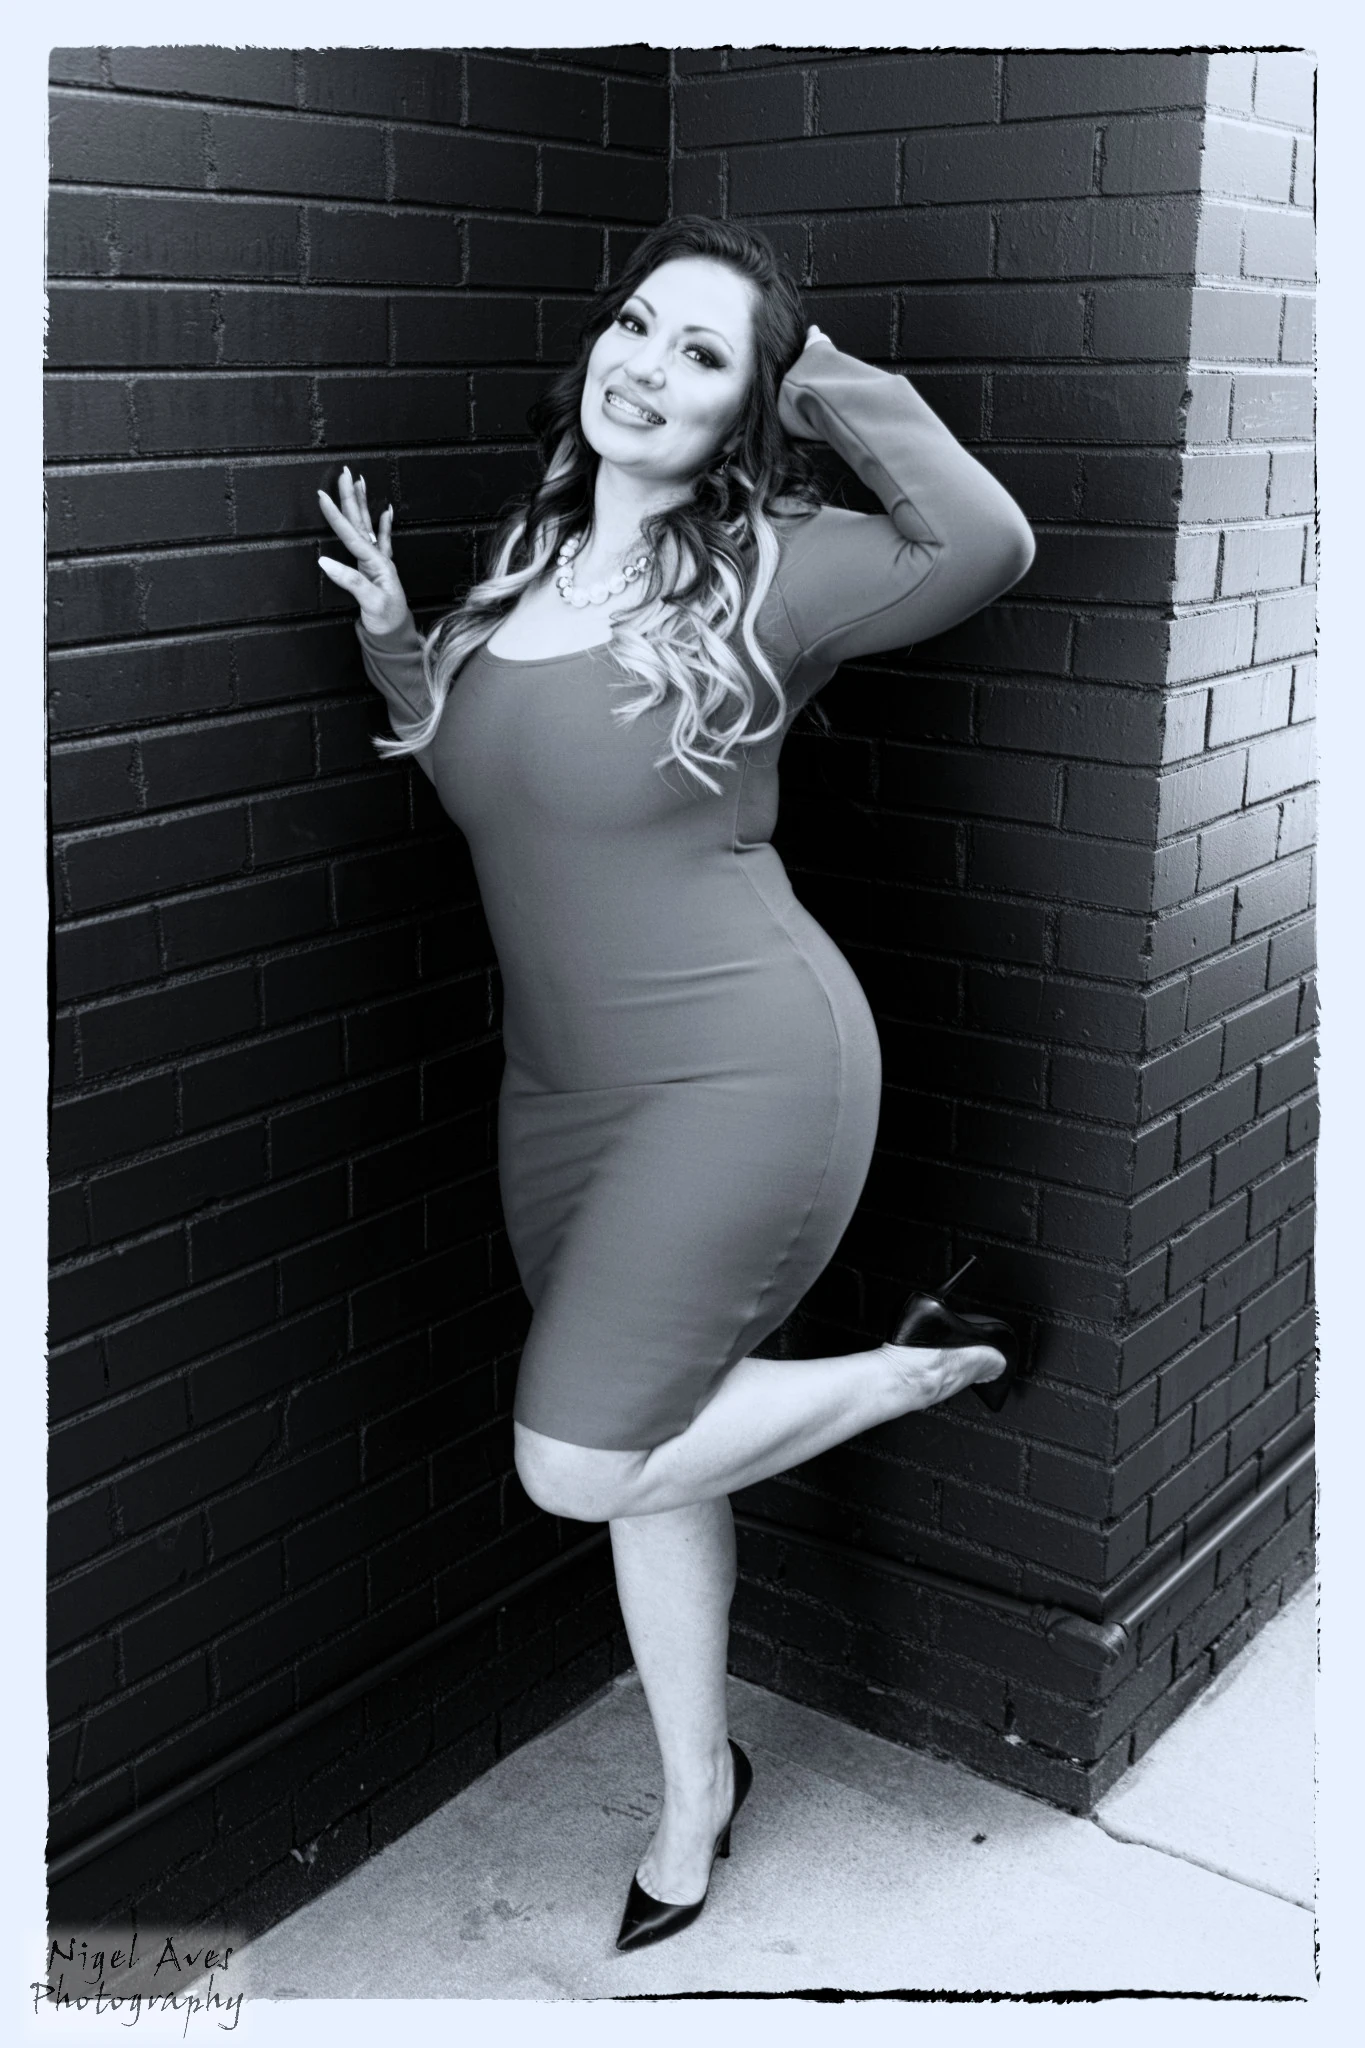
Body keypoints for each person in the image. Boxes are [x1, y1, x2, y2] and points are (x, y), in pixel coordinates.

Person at [317, 215, 1035, 1954]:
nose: (645, 365)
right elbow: (480, 778)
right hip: (560, 1101)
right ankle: (696, 1792)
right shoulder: (526, 570)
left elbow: (986, 541)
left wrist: (813, 369)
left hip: (743, 1071)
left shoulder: (774, 571)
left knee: (580, 1465)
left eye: (702, 354)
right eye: (635, 326)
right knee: (656, 1453)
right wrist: (406, 638)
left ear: (744, 411)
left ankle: (920, 1368)